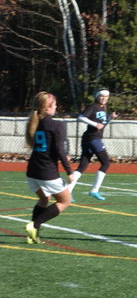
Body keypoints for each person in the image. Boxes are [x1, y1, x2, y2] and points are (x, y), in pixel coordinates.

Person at [24, 91, 74, 244]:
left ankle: (33, 236)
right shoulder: (57, 125)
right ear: (47, 107)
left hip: (32, 171)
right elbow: (59, 150)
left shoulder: (35, 122)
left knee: (44, 199)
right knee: (65, 201)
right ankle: (35, 225)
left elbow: (47, 149)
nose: (56, 107)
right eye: (54, 105)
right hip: (46, 172)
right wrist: (69, 171)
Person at [68, 88, 118, 201]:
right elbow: (81, 117)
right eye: (101, 96)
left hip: (90, 138)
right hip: (93, 138)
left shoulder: (103, 109)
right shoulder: (93, 107)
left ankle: (67, 191)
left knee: (82, 166)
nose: (104, 98)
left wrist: (110, 118)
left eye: (106, 96)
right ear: (97, 97)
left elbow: (102, 125)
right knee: (106, 163)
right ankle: (94, 190)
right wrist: (94, 124)